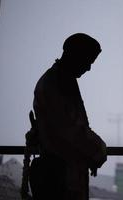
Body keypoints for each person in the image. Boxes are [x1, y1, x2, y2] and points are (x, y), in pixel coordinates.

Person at [29, 33, 107, 200]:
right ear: (75, 55)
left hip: (64, 174)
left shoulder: (61, 80)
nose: (89, 68)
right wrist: (99, 149)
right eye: (88, 61)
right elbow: (70, 129)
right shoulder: (54, 83)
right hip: (59, 177)